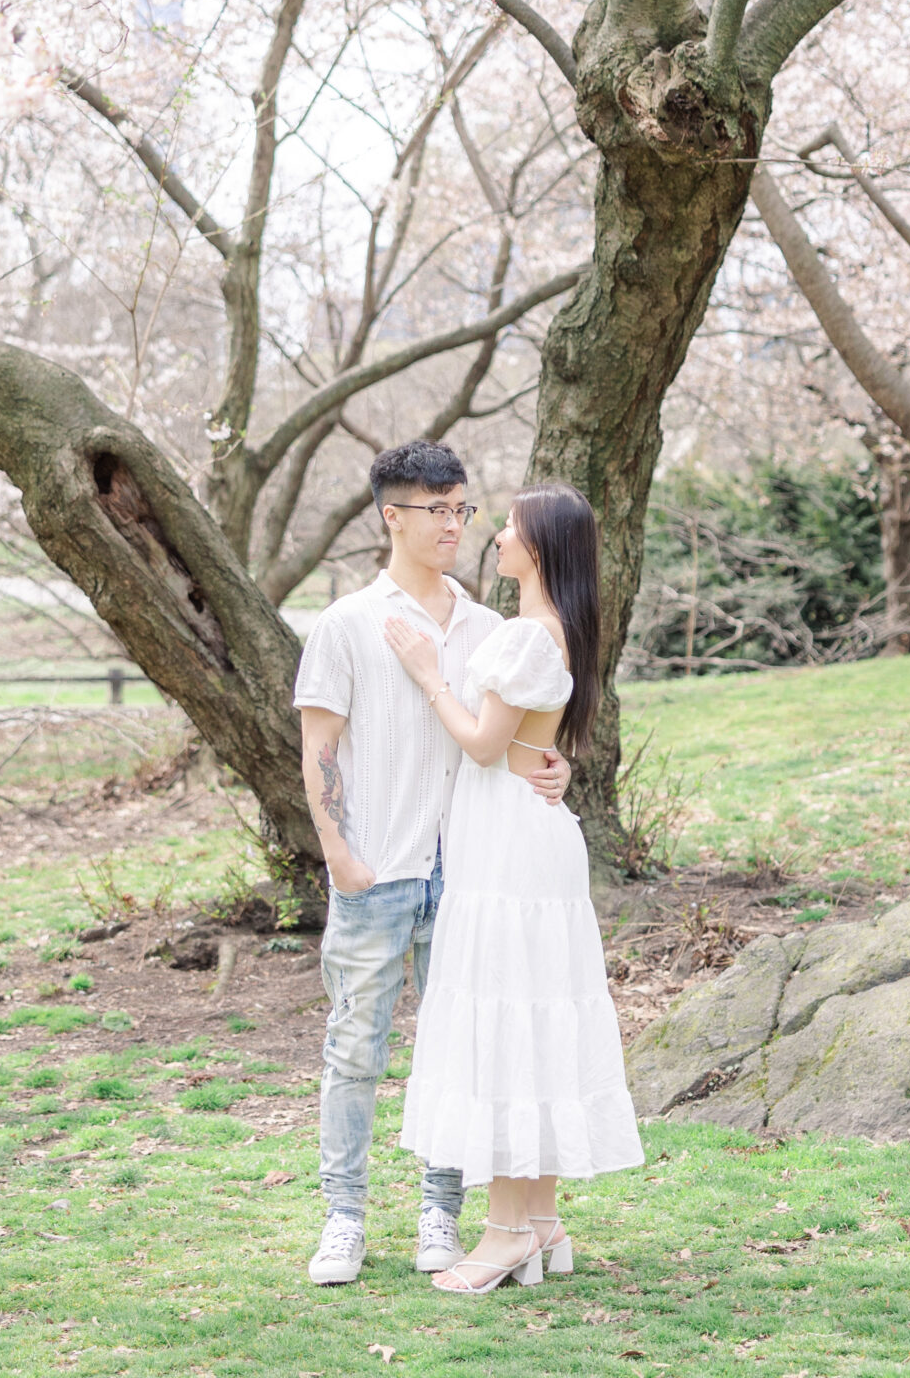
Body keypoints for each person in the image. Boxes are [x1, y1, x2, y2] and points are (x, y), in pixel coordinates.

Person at [293, 439, 572, 1288]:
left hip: (473, 876)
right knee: (354, 1052)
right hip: (378, 871)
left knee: (459, 1052)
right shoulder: (346, 623)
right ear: (393, 516)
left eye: (464, 509)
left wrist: (561, 770)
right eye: (437, 511)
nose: (455, 524)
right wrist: (339, 853)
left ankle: (438, 1215)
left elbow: (514, 738)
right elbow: (319, 747)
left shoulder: (490, 629)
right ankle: (343, 1218)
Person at [384, 482, 643, 1295]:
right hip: (523, 837)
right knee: (527, 1018)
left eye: (509, 527)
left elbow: (485, 743)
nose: (494, 535)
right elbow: (533, 743)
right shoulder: (546, 632)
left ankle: (502, 1234)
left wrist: (429, 675)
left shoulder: (531, 637)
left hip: (511, 848)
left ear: (539, 547)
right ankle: (537, 1223)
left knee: (507, 1021)